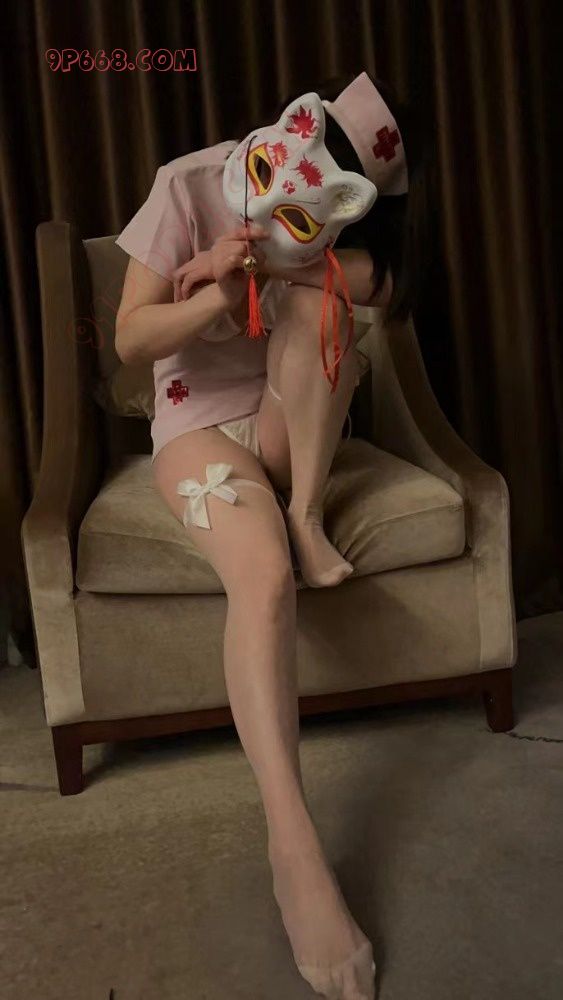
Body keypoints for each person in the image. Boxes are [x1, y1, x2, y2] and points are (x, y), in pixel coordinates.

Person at [114, 70, 429, 1000]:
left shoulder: (341, 222)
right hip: (197, 426)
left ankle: (306, 512)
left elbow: (383, 286)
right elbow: (131, 340)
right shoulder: (188, 182)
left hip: (291, 424)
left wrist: (269, 268)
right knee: (261, 580)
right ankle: (293, 848)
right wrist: (214, 293)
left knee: (324, 303)